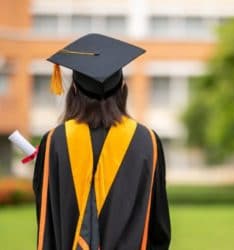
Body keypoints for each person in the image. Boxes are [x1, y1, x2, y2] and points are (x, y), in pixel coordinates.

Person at [32, 33, 171, 250]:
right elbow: (159, 231)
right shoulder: (148, 142)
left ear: (74, 90)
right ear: (122, 88)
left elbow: (46, 227)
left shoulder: (55, 142)